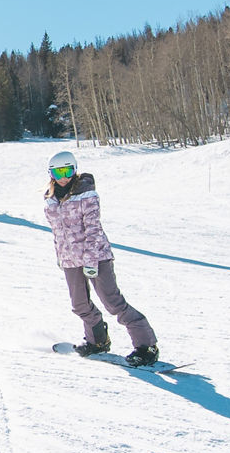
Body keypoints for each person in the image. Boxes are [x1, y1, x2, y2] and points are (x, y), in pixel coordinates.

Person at [44, 149, 160, 367]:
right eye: (58, 173)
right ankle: (97, 340)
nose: (64, 177)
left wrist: (91, 261)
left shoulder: (86, 194)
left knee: (113, 302)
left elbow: (93, 229)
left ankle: (147, 346)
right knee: (80, 305)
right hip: (70, 260)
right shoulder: (50, 200)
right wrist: (61, 257)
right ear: (51, 174)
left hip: (96, 257)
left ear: (75, 170)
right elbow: (58, 232)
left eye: (68, 171)